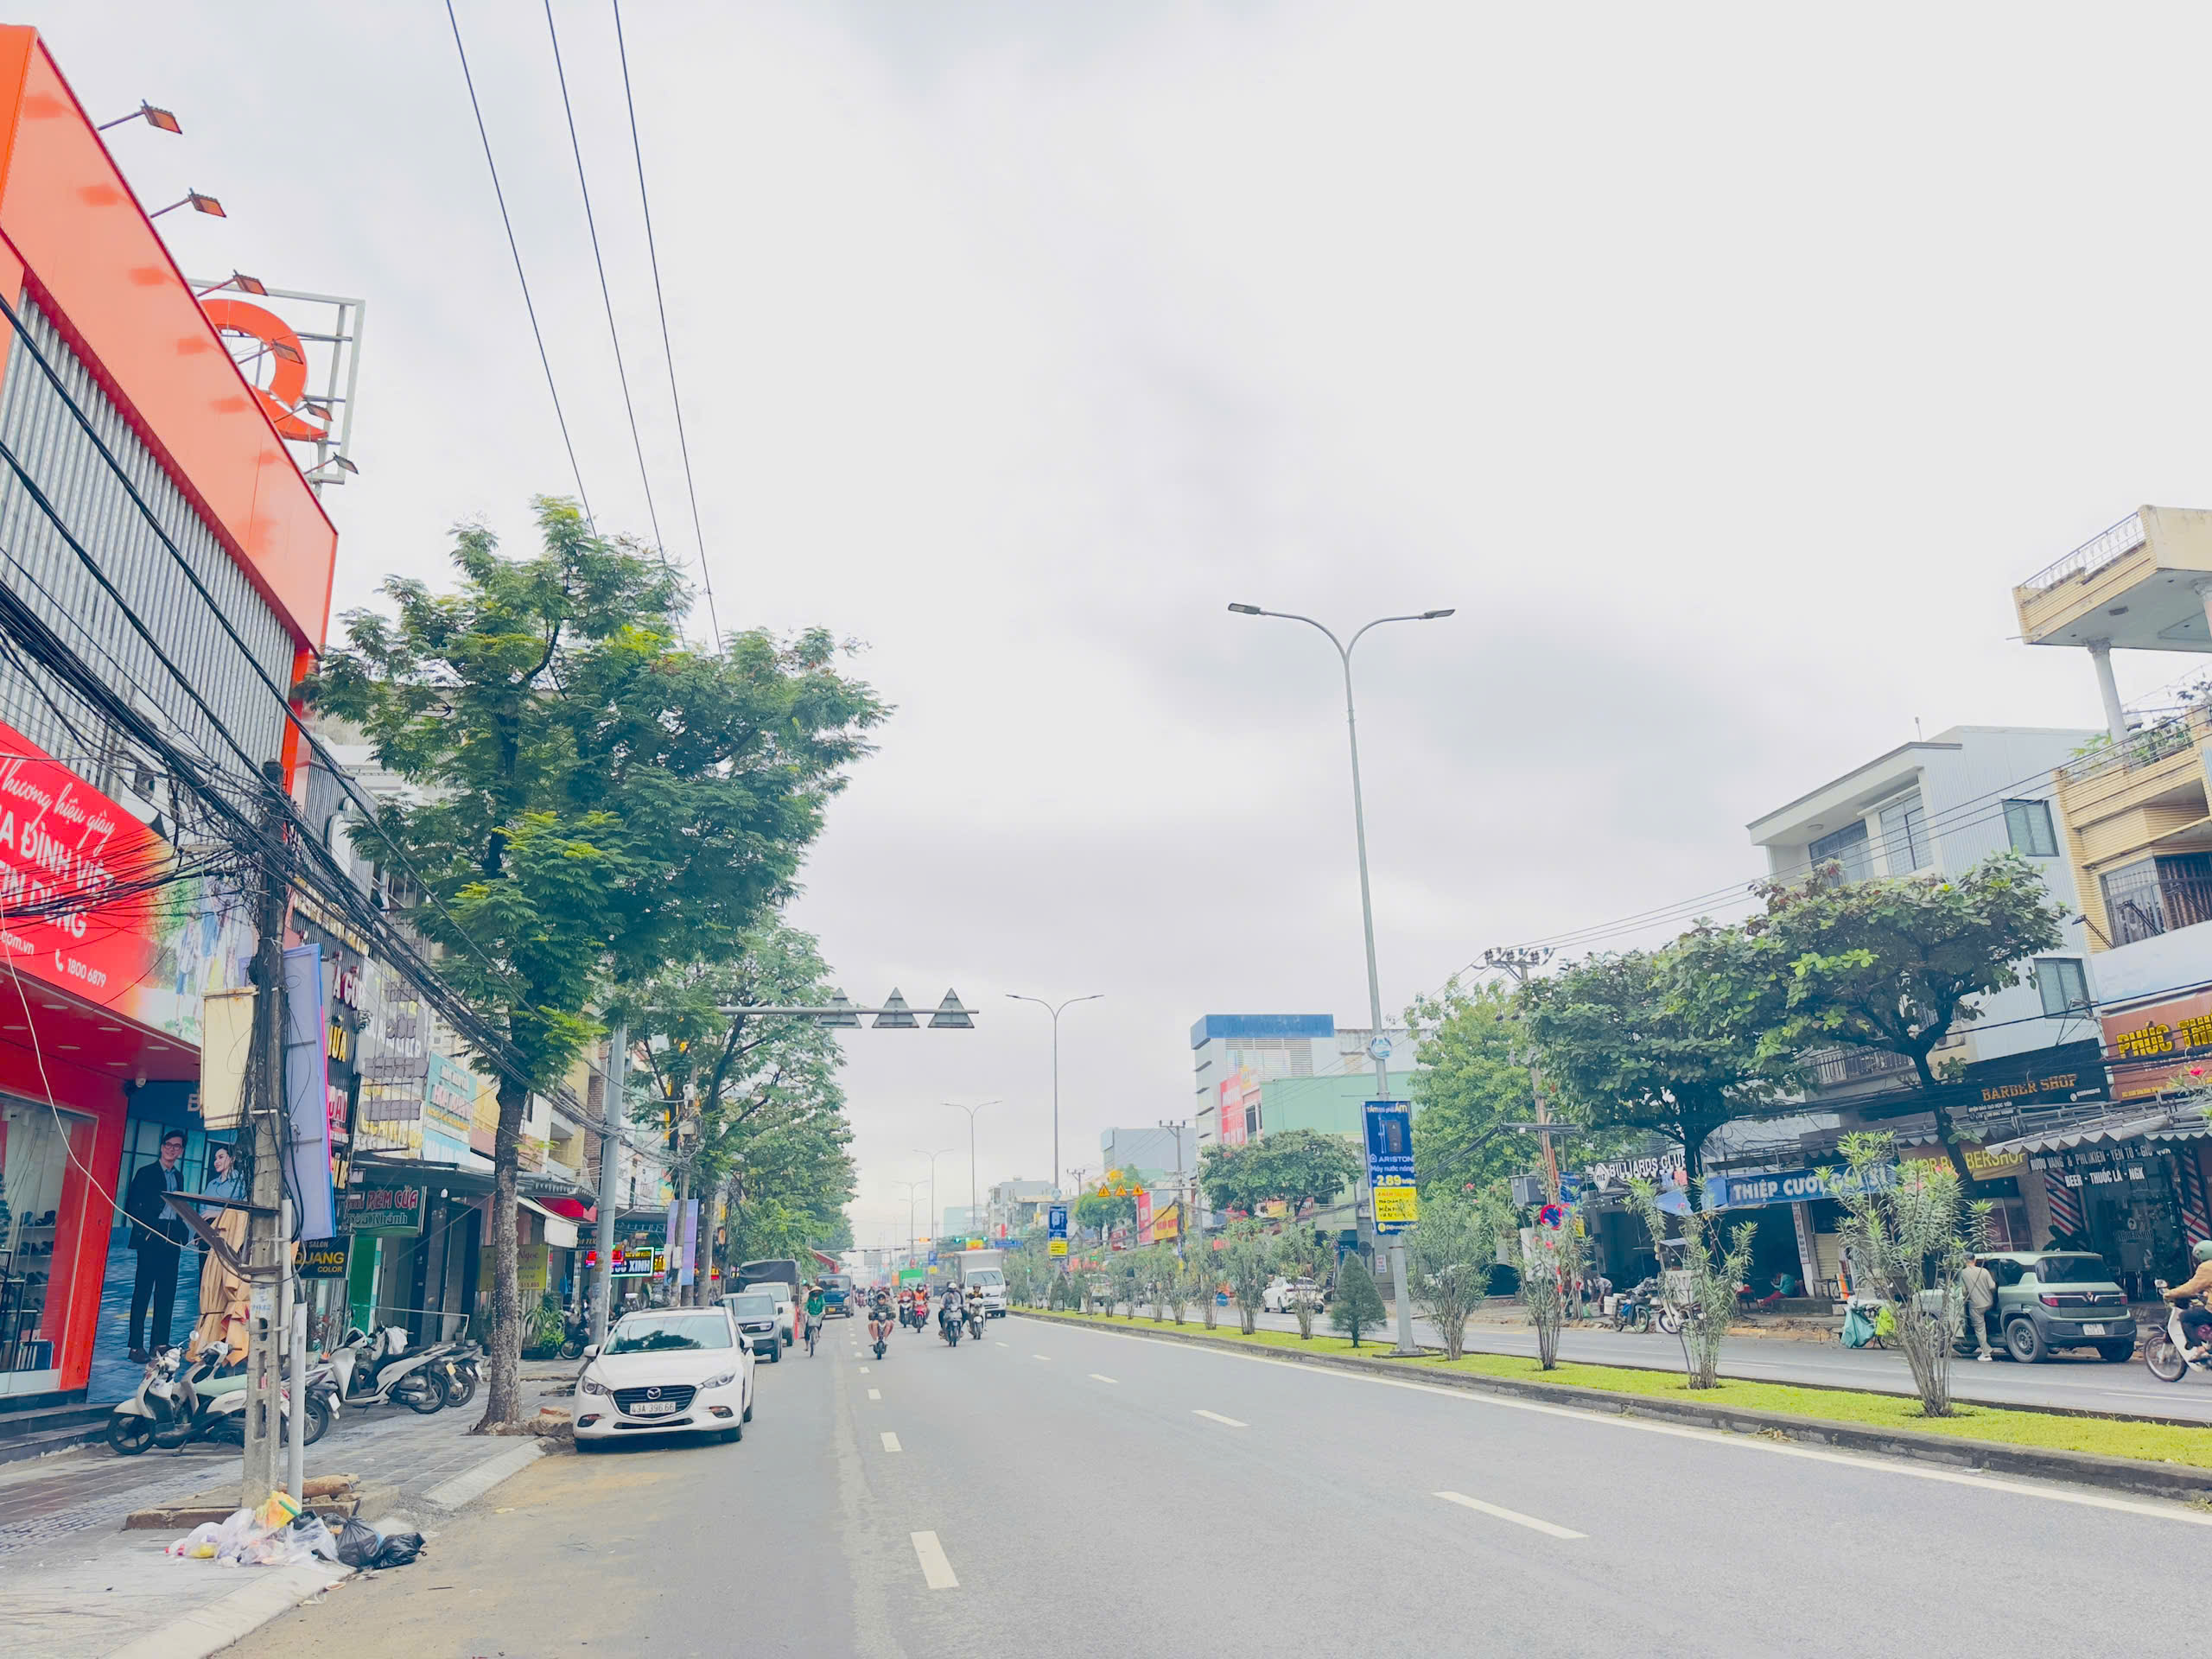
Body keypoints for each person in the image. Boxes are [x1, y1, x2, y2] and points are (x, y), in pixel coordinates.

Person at [124, 1129, 190, 1362]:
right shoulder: (146, 1172)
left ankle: (159, 1343)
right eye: (168, 1145)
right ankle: (135, 1347)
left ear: (181, 1151)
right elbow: (132, 1205)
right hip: (151, 1236)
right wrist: (146, 1232)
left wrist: (182, 1232)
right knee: (143, 1291)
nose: (172, 1149)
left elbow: (179, 1207)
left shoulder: (179, 1176)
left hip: (172, 1238)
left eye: (177, 1146)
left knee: (167, 1292)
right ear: (162, 1147)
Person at [2163, 1240, 2212, 1359]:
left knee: (2186, 1317)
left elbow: (2191, 1288)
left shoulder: (2207, 1267)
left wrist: (2169, 1294)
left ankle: (2200, 1349)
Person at [1959, 1255, 1997, 1362]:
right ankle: (1988, 1348)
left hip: (1976, 1305)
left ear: (1964, 1261)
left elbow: (1964, 1291)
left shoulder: (1963, 1273)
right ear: (1975, 1260)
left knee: (1980, 1328)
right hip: (1989, 1303)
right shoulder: (1984, 1271)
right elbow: (1992, 1286)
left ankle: (1986, 1353)